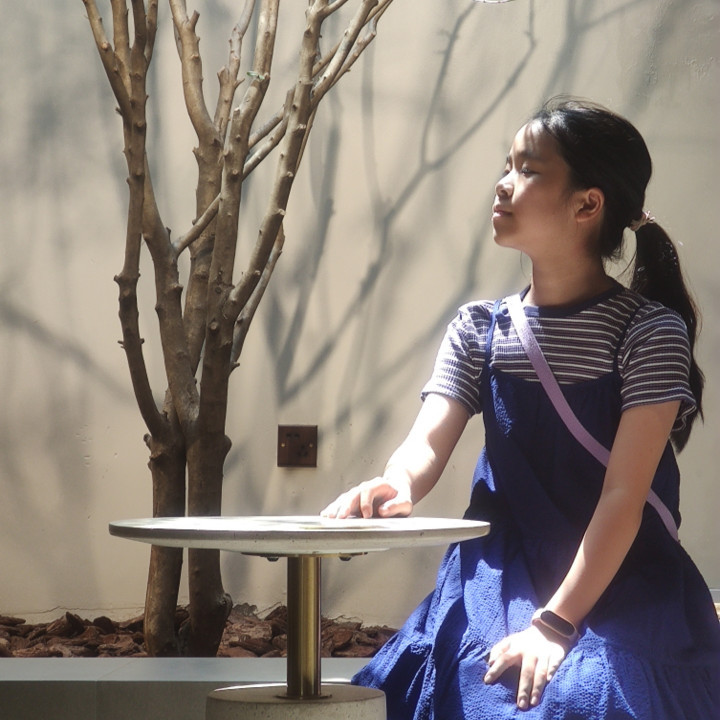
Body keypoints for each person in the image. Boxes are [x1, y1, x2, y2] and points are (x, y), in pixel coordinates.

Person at [322, 98, 720, 718]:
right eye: (507, 165)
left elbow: (624, 497)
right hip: (496, 574)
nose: (503, 184)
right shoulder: (478, 328)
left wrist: (555, 624)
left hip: (623, 577)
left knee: (587, 693)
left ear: (587, 205)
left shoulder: (649, 333)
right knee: (484, 689)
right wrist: (396, 484)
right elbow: (426, 441)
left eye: (528, 170)